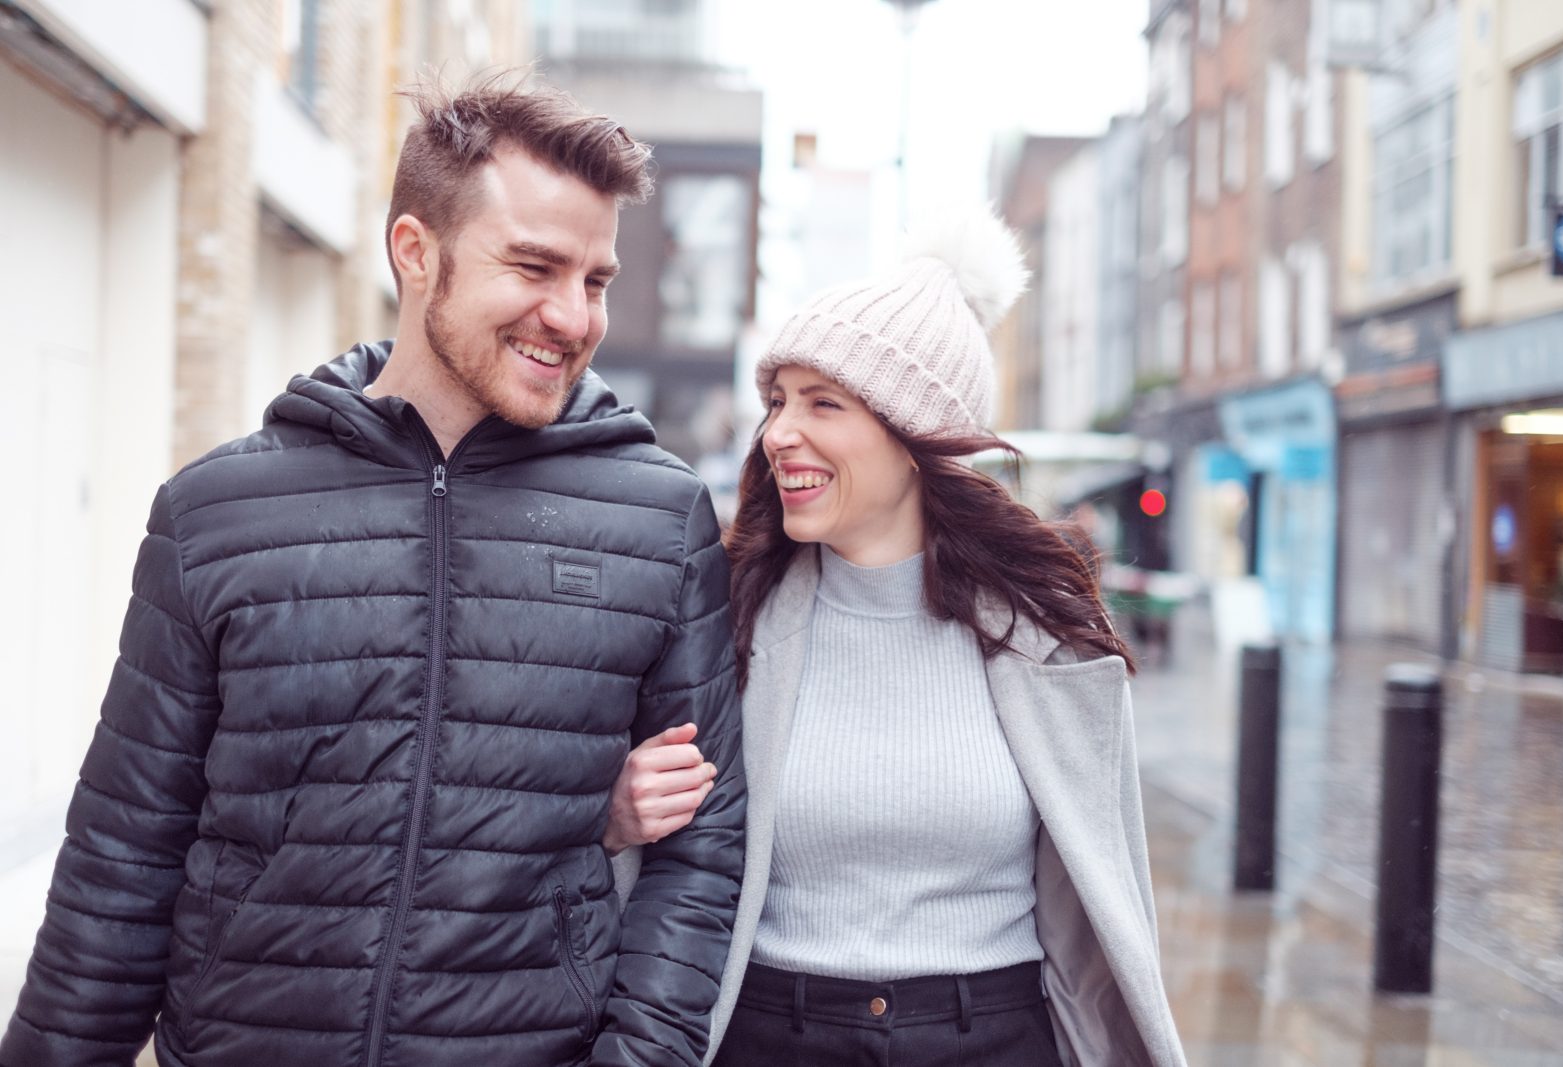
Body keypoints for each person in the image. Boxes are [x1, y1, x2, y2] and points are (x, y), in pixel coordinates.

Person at [0, 76, 744, 1067]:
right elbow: (121, 860)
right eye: (534, 264)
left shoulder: (658, 520)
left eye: (596, 279)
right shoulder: (215, 514)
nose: (572, 315)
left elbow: (702, 855)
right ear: (415, 251)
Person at [703, 209, 1187, 1066]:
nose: (779, 431)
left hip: (995, 1035)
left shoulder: (1049, 643)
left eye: (824, 402)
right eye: (778, 401)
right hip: (771, 1034)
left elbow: (1114, 910)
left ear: (914, 437)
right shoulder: (725, 617)